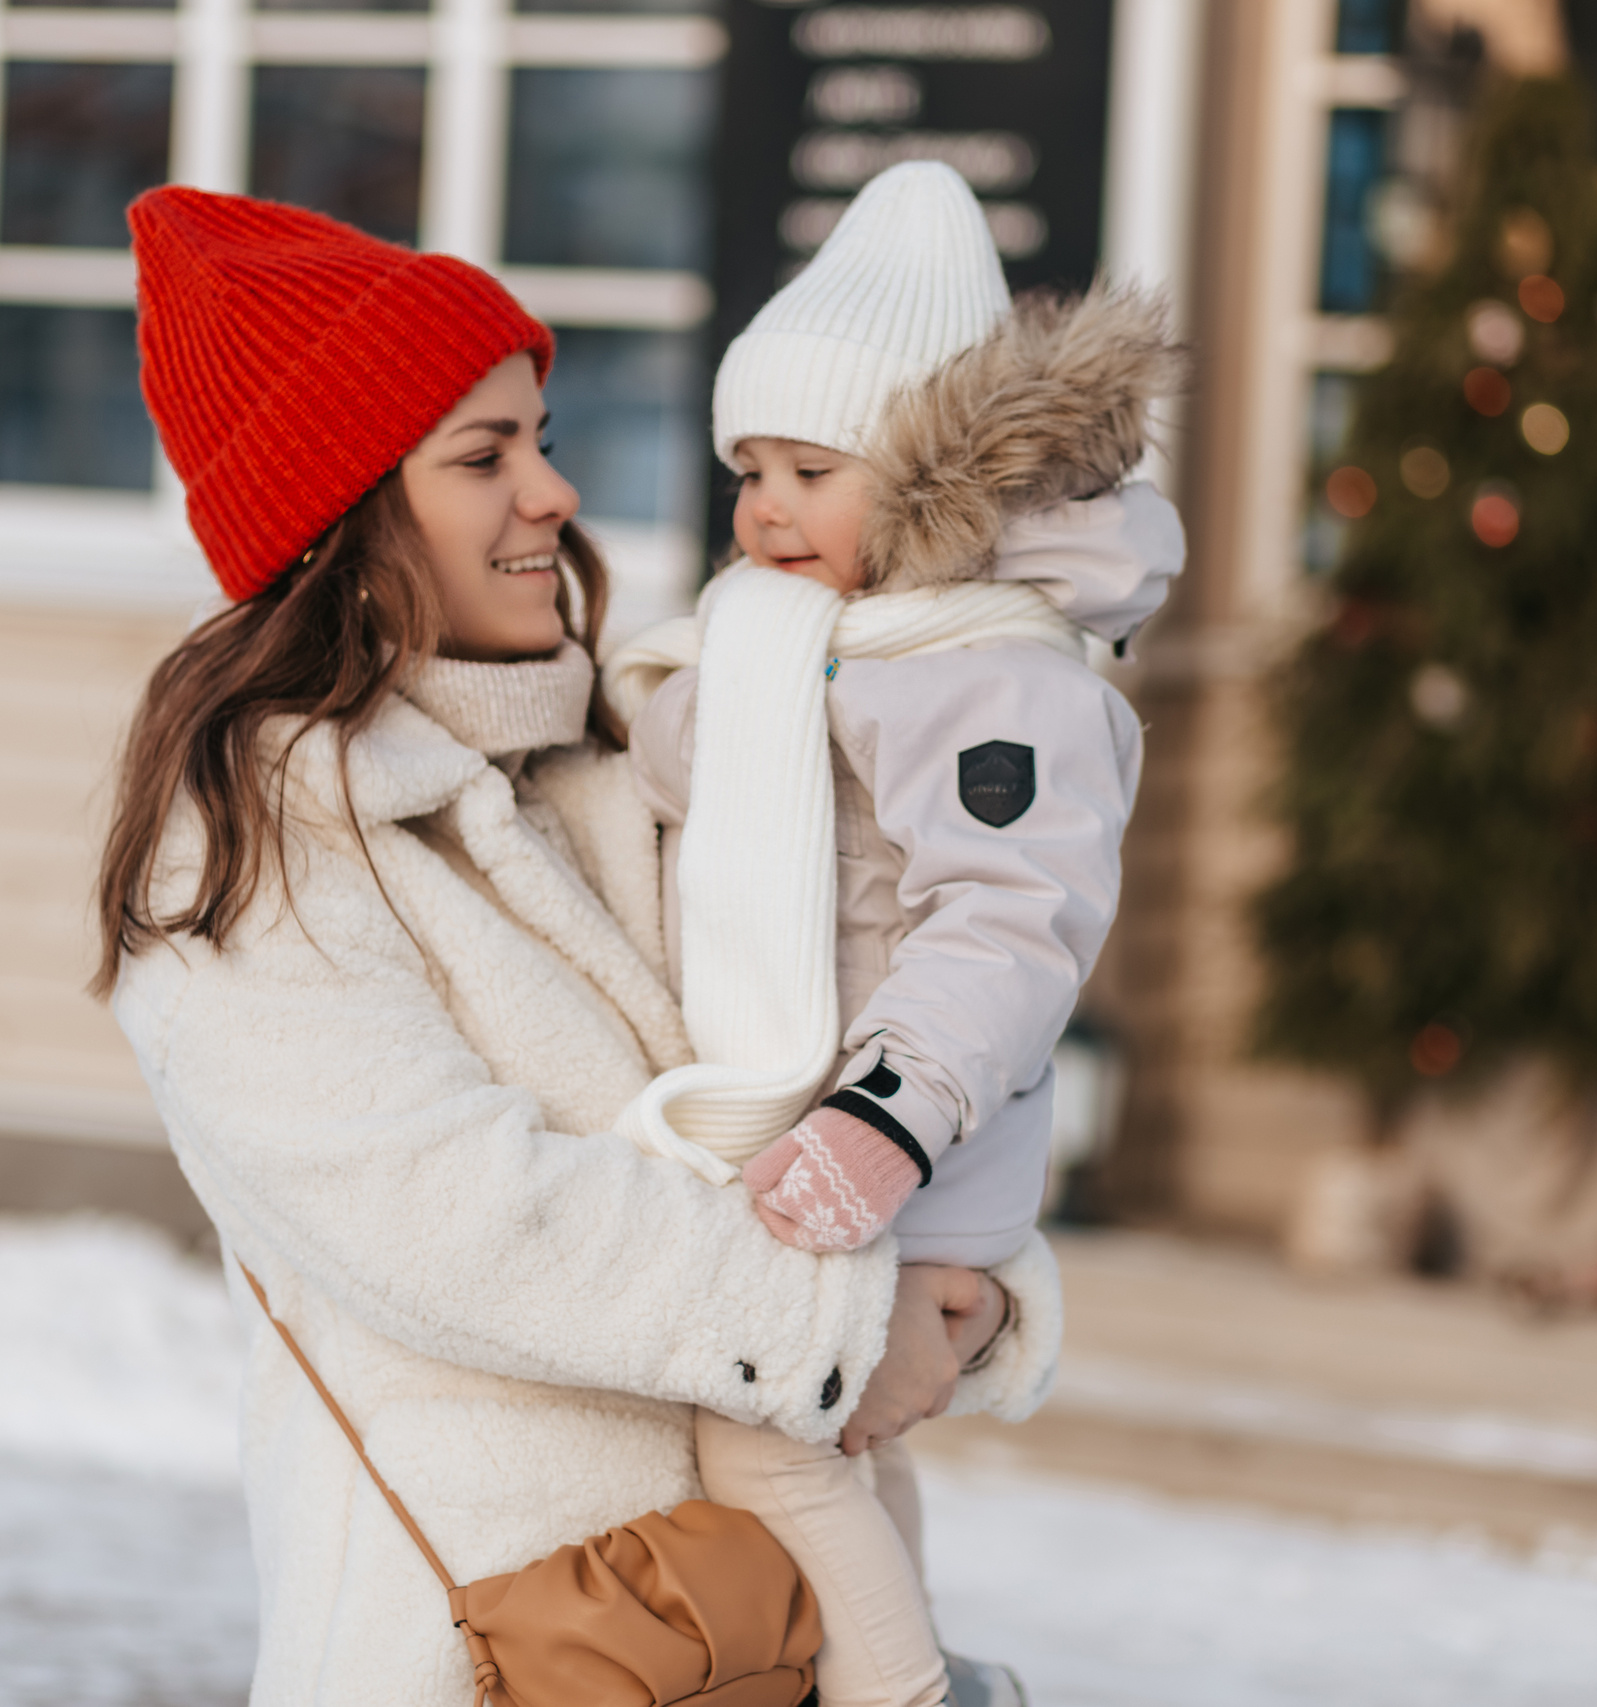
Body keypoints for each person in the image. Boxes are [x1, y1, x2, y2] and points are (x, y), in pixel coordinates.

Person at [93, 185, 1055, 1707]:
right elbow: (454, 1212)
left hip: (771, 1634)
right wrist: (843, 1321)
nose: (553, 491)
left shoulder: (626, 756)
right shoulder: (250, 847)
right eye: (484, 457)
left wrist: (972, 1278)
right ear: (341, 518)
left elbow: (863, 1017)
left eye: (539, 437)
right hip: (505, 1650)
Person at [603, 163, 1187, 1707]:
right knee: (840, 1447)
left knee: (761, 1430)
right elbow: (681, 763)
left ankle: (910, 1697)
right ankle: (922, 1660)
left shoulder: (996, 679)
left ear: (937, 489)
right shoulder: (818, 649)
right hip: (832, 1152)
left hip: (896, 1157)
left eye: (813, 469)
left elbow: (1010, 926)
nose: (765, 508)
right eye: (750, 469)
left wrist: (887, 1119)